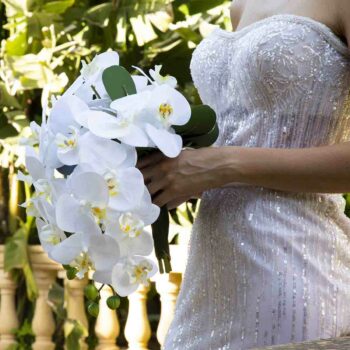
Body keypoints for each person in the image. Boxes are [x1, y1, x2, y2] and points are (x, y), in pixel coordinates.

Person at [138, 0, 350, 348]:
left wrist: (222, 165)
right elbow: (254, 130)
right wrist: (174, 170)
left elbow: (232, 159)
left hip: (294, 273)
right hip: (211, 278)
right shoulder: (240, 5)